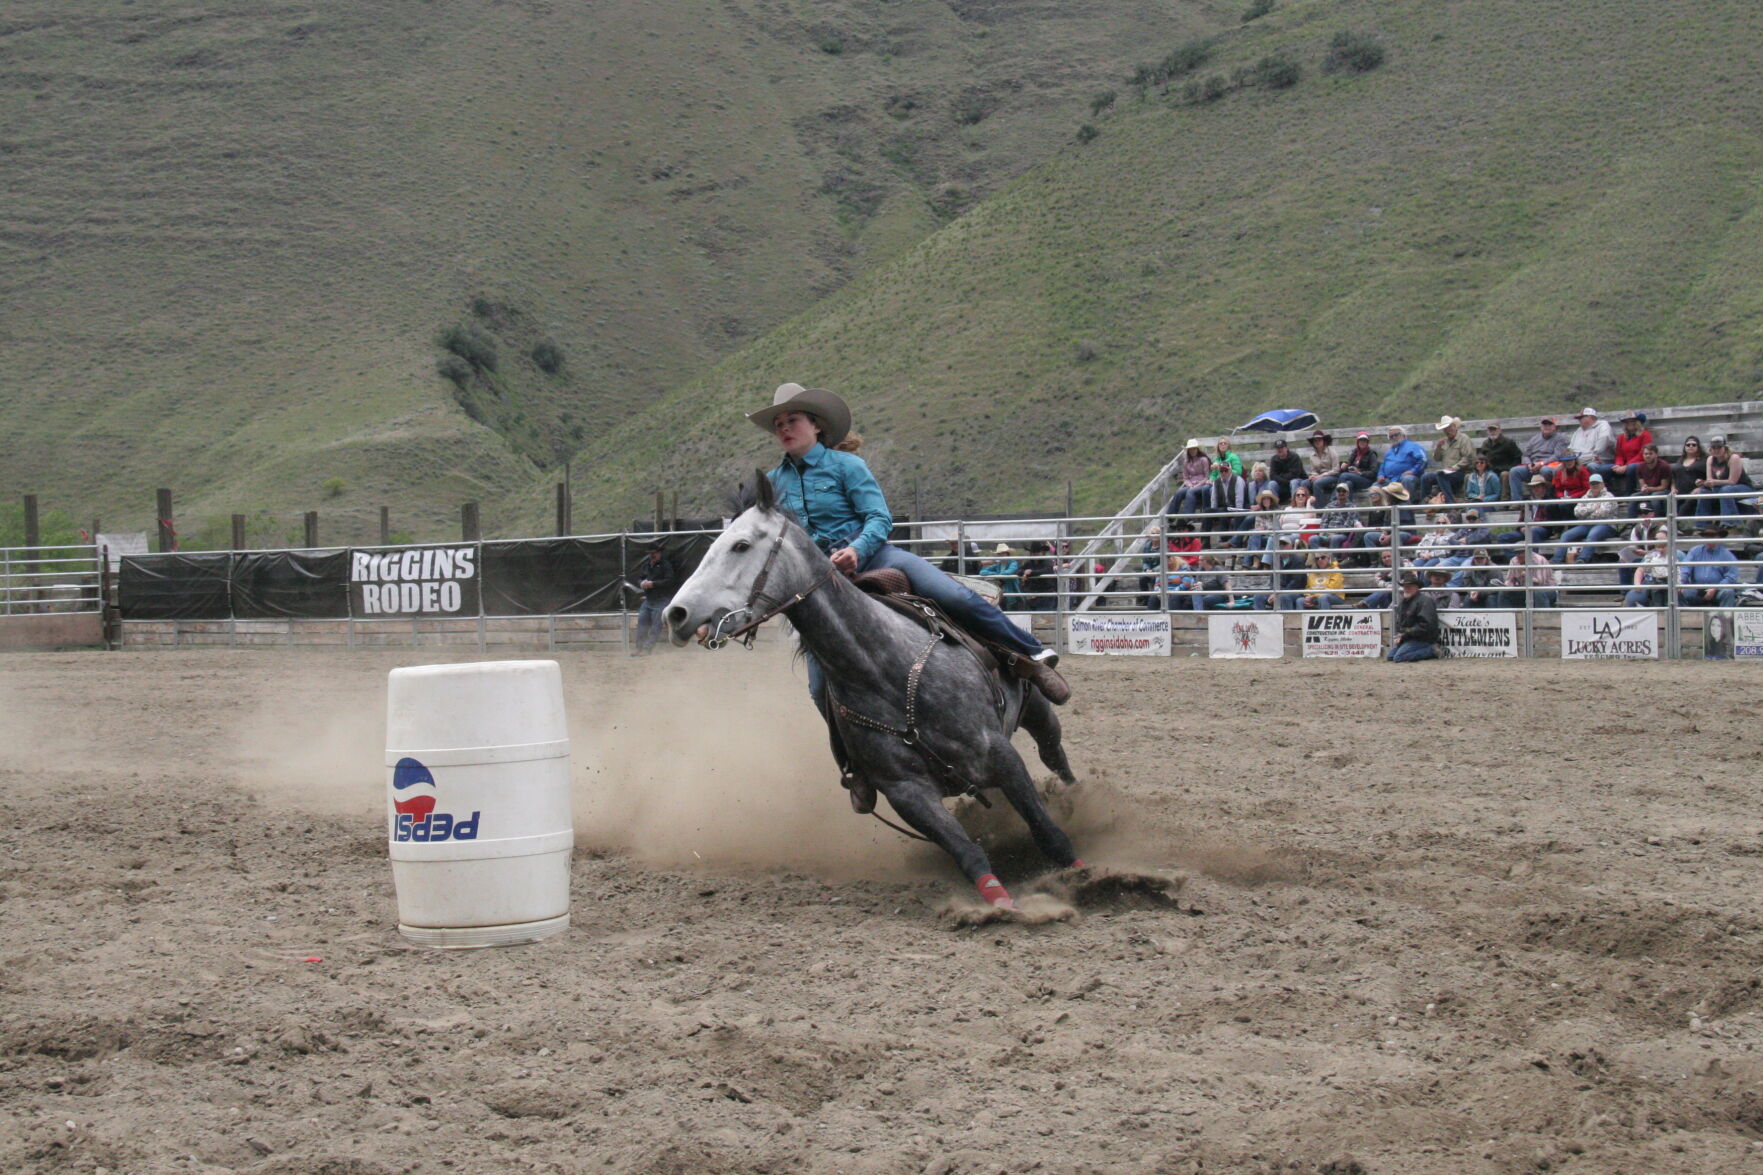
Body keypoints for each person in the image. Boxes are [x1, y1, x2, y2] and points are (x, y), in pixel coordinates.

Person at [750, 383, 1069, 807]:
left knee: (955, 597)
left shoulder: (846, 466)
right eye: (778, 424)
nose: (784, 428)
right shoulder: (773, 484)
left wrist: (856, 550)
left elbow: (879, 519)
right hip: (824, 586)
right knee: (817, 684)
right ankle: (855, 766)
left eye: (792, 420)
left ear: (816, 426)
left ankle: (1030, 659)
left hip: (877, 555)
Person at [1555, 474, 1621, 563]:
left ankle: (1583, 559)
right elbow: (1577, 512)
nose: (1595, 485)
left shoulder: (1609, 496)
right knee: (1566, 535)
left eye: (1597, 483)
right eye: (1592, 483)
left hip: (1607, 525)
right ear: (1589, 485)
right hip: (1587, 525)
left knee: (1593, 534)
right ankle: (1556, 560)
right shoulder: (1585, 496)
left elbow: (1602, 513)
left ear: (1603, 484)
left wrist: (1586, 512)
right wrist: (1593, 508)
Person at [1690, 435, 1754, 518]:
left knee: (1726, 490)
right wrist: (1703, 483)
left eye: (1719, 447)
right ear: (1710, 449)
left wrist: (1714, 482)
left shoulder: (1733, 458)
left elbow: (1732, 481)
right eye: (1714, 447)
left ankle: (1730, 523)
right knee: (1703, 492)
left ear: (1725, 448)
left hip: (1743, 488)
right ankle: (1701, 526)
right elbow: (1710, 481)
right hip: (1720, 489)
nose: (1716, 450)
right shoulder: (1710, 459)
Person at [1508, 416, 1569, 501]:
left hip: (1549, 465)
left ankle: (1546, 499)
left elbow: (1557, 456)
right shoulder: (1534, 439)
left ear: (1554, 427)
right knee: (1514, 471)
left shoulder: (1560, 439)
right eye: (1544, 424)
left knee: (1545, 471)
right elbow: (1525, 455)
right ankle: (1517, 502)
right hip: (1533, 466)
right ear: (1541, 426)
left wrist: (1541, 464)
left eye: (1549, 424)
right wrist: (1529, 464)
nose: (1547, 426)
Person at [1679, 525, 1740, 609]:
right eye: (1707, 536)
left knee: (1728, 592)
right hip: (1698, 589)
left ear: (1719, 537)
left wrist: (1716, 588)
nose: (1709, 538)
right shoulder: (1695, 551)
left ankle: (1725, 619)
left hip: (1718, 590)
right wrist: (1682, 583)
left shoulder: (1727, 554)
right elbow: (1685, 569)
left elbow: (1731, 576)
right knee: (1680, 592)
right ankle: (1685, 620)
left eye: (1712, 536)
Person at [631, 543, 676, 655]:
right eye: (650, 554)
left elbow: (670, 580)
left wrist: (654, 584)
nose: (652, 556)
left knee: (656, 626)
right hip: (649, 599)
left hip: (661, 599)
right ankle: (639, 647)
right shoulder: (646, 566)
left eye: (654, 553)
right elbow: (640, 578)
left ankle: (647, 648)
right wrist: (641, 583)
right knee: (642, 624)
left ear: (659, 553)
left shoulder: (666, 565)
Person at [1420, 415, 1476, 502]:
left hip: (1461, 472)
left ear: (1454, 426)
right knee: (1426, 477)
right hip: (1447, 472)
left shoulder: (1464, 439)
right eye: (1445, 429)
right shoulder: (1444, 441)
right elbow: (1437, 458)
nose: (1446, 431)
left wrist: (1455, 467)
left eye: (1448, 428)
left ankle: (1450, 503)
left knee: (1442, 476)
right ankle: (1424, 502)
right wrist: (1438, 447)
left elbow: (1468, 457)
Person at [1388, 572, 1441, 662]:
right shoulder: (1403, 603)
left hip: (1423, 639)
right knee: (1390, 656)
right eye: (1405, 586)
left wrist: (1404, 635)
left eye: (1409, 586)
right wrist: (1401, 635)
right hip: (1410, 638)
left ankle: (1432, 650)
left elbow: (1426, 626)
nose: (1406, 588)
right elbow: (1400, 623)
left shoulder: (1425, 601)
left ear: (1416, 588)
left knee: (1398, 657)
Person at [1314, 431, 1379, 501]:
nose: (1362, 442)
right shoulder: (1355, 452)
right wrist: (1345, 465)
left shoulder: (1372, 454)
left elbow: (1373, 472)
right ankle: (1348, 507)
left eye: (1364, 441)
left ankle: (1333, 500)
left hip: (1366, 480)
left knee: (1344, 476)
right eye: (1360, 440)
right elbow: (1349, 464)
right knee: (1348, 484)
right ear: (1357, 442)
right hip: (1354, 478)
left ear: (1367, 442)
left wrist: (1360, 473)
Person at [1374, 425, 1428, 499]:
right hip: (1390, 480)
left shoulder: (1413, 446)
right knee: (1375, 487)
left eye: (1395, 435)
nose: (1393, 438)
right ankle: (1380, 510)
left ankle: (1408, 505)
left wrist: (1412, 471)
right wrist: (1380, 475)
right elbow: (1383, 466)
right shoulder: (1389, 452)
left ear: (1403, 435)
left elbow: (1423, 460)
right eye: (1391, 437)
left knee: (1407, 479)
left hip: (1409, 478)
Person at [1623, 528, 1670, 608]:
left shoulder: (1677, 554)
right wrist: (1637, 584)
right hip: (1648, 582)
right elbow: (1640, 570)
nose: (1659, 541)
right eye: (1657, 539)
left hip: (1666, 584)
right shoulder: (1651, 554)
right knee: (1631, 599)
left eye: (1662, 539)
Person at [1166, 439, 1213, 518]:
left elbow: (1207, 476)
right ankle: (1170, 516)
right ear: (1188, 450)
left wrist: (1197, 485)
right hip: (1191, 484)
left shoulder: (1204, 460)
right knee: (1179, 492)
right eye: (1190, 449)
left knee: (1190, 492)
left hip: (1203, 484)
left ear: (1197, 449)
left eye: (1194, 448)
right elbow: (1186, 477)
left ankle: (1188, 516)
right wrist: (1189, 484)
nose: (1192, 450)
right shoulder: (1186, 462)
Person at [1206, 461, 1253, 539]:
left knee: (1223, 511)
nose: (1223, 473)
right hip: (1224, 508)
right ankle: (1205, 541)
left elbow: (1239, 500)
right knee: (1207, 511)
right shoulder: (1216, 481)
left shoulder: (1238, 480)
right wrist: (1213, 513)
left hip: (1237, 508)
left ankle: (1224, 539)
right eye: (1221, 471)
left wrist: (1237, 513)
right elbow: (1214, 499)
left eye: (1226, 470)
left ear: (1230, 471)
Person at [1568, 407, 1617, 480]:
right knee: (1559, 468)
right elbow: (1570, 448)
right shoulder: (1578, 431)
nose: (1579, 420)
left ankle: (1600, 487)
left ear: (1591, 417)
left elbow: (1604, 438)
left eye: (1581, 418)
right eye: (1579, 418)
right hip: (1580, 460)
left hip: (1601, 461)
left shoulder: (1603, 425)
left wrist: (1595, 454)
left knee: (1591, 466)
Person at [1610, 411, 1652, 495]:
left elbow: (1642, 454)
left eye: (1632, 421)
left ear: (1638, 423)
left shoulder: (1645, 435)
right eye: (1627, 422)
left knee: (1631, 468)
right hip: (1624, 465)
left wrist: (1626, 466)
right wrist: (1619, 465)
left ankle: (1629, 495)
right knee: (1603, 470)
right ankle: (1609, 496)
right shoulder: (1621, 437)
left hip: (1640, 463)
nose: (1629, 423)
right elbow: (1619, 454)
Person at [1631, 443, 1674, 517]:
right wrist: (1644, 488)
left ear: (1656, 455)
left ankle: (1659, 521)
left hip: (1663, 491)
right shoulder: (1640, 467)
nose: (1648, 456)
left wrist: (1650, 489)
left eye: (1650, 453)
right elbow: (1643, 485)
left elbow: (1664, 486)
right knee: (1633, 497)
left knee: (1654, 497)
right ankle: (1631, 524)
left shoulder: (1664, 466)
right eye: (1645, 454)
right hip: (1649, 490)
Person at [1316, 484, 1362, 550]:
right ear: (1336, 493)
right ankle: (1316, 559)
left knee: (1335, 538)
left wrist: (1334, 533)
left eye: (1343, 491)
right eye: (1339, 491)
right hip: (1327, 533)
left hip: (1342, 534)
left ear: (1348, 494)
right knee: (1313, 538)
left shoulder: (1352, 507)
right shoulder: (1329, 506)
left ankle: (1333, 560)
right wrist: (1323, 532)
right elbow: (1324, 522)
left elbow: (1348, 526)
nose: (1341, 493)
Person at [978, 543, 1024, 608]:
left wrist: (997, 577)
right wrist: (995, 574)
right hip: (1001, 594)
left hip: (1011, 594)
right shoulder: (998, 565)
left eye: (1003, 553)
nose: (1001, 555)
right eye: (999, 554)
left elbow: (1008, 572)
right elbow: (982, 572)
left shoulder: (1013, 563)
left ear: (1007, 554)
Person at [1300, 430, 1338, 498]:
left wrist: (1321, 476)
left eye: (1319, 440)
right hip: (1318, 477)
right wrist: (1313, 475)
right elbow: (1314, 470)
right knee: (1304, 483)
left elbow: (1336, 470)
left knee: (1317, 483)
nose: (1317, 442)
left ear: (1324, 441)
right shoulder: (1312, 455)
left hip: (1332, 477)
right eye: (1315, 440)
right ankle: (1306, 505)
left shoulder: (1332, 452)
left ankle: (1319, 507)